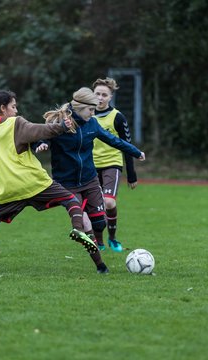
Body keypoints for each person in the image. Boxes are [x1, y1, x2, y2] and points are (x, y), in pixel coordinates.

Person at [0, 90, 98, 274]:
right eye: (13, 106)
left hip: (6, 189)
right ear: (3, 108)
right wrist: (61, 126)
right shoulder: (16, 123)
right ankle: (78, 230)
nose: (16, 110)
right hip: (33, 182)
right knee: (71, 200)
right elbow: (39, 130)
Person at [33, 87, 145, 271]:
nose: (93, 113)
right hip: (67, 184)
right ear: (79, 107)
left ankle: (95, 238)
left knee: (99, 223)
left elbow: (113, 140)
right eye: (90, 110)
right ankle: (101, 265)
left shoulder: (92, 124)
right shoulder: (60, 122)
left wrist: (136, 152)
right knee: (85, 224)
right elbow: (41, 136)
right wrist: (43, 144)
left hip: (90, 180)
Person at [92, 77, 139, 252]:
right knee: (96, 207)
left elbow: (127, 145)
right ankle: (99, 242)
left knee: (109, 203)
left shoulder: (117, 117)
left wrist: (131, 174)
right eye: (97, 94)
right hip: (91, 166)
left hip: (112, 163)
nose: (100, 98)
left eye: (104, 94)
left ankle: (112, 238)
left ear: (110, 97)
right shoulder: (86, 116)